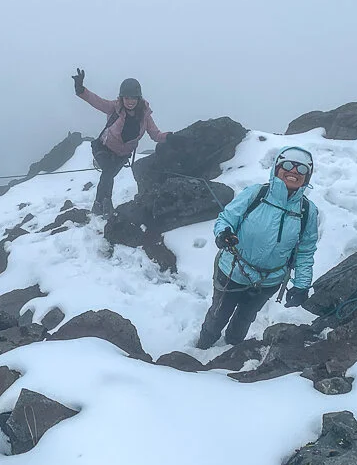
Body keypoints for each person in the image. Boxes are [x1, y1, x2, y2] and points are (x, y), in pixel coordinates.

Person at [195, 146, 319, 350]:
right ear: (277, 168)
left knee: (245, 318)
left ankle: (232, 350)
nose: (294, 171)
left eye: (302, 169)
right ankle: (203, 346)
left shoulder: (307, 211)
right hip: (232, 271)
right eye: (288, 165)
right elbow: (227, 218)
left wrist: (301, 285)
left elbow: (305, 250)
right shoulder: (256, 193)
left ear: (308, 176)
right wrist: (224, 234)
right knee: (219, 314)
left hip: (268, 281)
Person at [72, 68, 171, 215]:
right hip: (103, 148)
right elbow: (96, 101)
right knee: (108, 171)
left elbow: (155, 135)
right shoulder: (114, 107)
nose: (130, 102)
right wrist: (80, 89)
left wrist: (170, 137)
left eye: (133, 98)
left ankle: (98, 204)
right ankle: (106, 204)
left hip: (122, 155)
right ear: (121, 98)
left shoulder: (145, 115)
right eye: (126, 98)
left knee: (108, 174)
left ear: (138, 98)